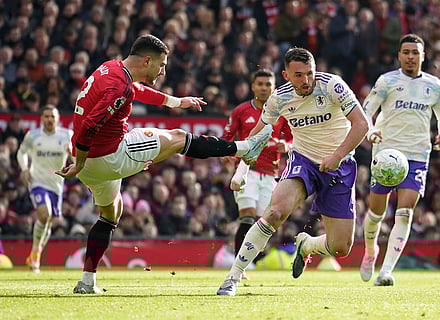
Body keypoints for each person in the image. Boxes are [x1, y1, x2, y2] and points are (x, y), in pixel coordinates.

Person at [55, 34, 272, 294]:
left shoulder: (112, 68)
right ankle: (245, 147)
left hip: (93, 164)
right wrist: (78, 162)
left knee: (111, 214)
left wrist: (176, 102)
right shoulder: (119, 87)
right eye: (161, 64)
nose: (163, 70)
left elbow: (134, 90)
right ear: (147, 60)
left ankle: (87, 282)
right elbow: (90, 126)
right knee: (179, 138)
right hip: (108, 156)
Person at [217, 47, 369, 296]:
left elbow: (361, 124)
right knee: (275, 212)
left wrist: (337, 155)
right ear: (286, 75)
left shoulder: (333, 85)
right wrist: (242, 169)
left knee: (341, 247)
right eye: (299, 75)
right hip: (304, 161)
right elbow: (257, 134)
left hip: (339, 165)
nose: (306, 80)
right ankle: (232, 277)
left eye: (310, 73)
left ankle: (307, 245)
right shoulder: (279, 98)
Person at [360, 34, 440, 286]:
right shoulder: (387, 81)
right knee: (376, 212)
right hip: (386, 152)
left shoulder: (434, 85)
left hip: (417, 155)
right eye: (406, 52)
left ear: (423, 56)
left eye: (415, 52)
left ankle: (386, 271)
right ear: (399, 55)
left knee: (405, 211)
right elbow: (366, 111)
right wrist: (370, 131)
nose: (411, 56)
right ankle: (370, 252)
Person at [223, 69, 292, 277]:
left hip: (270, 174)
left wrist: (286, 146)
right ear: (253, 86)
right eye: (260, 84)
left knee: (266, 222)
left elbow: (293, 138)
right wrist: (227, 155)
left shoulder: (282, 114)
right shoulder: (241, 111)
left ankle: (251, 260)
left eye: (267, 84)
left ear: (274, 88)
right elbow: (228, 136)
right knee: (246, 216)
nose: (264, 88)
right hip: (248, 171)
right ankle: (239, 266)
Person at [16, 105, 73, 273]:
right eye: (46, 116)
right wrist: (25, 169)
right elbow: (21, 152)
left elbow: (76, 156)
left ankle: (37, 250)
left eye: (52, 117)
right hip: (37, 181)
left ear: (58, 119)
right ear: (41, 118)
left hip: (56, 183)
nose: (49, 119)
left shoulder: (66, 135)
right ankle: (35, 253)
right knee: (44, 214)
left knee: (48, 221)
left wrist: (72, 153)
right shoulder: (33, 136)